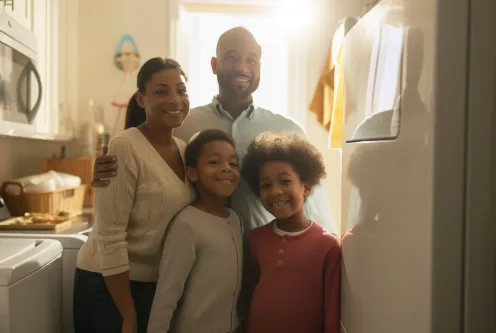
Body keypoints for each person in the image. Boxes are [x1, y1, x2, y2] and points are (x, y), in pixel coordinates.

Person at [91, 26, 338, 235]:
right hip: (197, 257)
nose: (242, 67)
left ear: (260, 68)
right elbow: (140, 166)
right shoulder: (182, 126)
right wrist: (110, 168)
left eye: (251, 60)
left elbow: (314, 206)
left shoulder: (288, 130)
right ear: (214, 64)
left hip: (269, 261)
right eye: (232, 57)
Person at [73, 57, 195, 333]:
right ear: (141, 99)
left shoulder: (185, 150)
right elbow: (110, 235)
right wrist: (127, 314)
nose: (174, 99)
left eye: (182, 90)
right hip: (109, 287)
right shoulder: (125, 146)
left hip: (153, 286)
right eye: (161, 91)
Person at [240, 132, 341, 333]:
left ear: (306, 188)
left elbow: (332, 310)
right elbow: (247, 297)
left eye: (285, 181)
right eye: (266, 185)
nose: (276, 191)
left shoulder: (327, 246)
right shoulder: (255, 239)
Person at [146, 129, 243, 333]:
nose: (227, 168)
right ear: (192, 173)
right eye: (214, 162)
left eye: (233, 163)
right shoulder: (187, 224)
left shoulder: (235, 220)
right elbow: (167, 295)